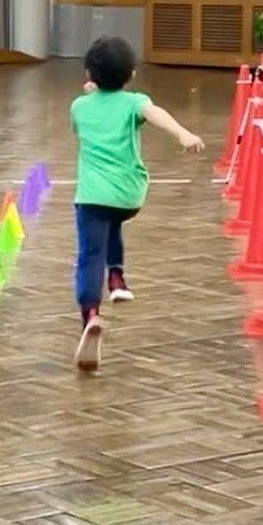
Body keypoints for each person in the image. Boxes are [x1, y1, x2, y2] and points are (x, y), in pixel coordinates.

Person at [69, 37, 204, 372]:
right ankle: (116, 277)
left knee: (90, 254)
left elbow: (84, 123)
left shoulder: (79, 107)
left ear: (89, 74)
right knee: (113, 219)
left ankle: (90, 314)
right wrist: (182, 134)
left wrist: (93, 95)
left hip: (92, 196)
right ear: (130, 74)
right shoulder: (134, 102)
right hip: (129, 196)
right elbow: (154, 113)